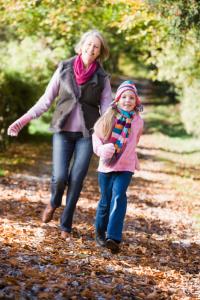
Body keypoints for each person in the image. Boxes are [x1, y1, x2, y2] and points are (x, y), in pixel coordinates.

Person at [7, 29, 112, 239]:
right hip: (62, 131)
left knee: (77, 178)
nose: (91, 49)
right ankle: (54, 202)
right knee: (60, 177)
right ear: (81, 46)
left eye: (96, 47)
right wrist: (23, 120)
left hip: (87, 135)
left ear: (100, 52)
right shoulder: (64, 68)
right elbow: (46, 101)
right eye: (88, 44)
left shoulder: (102, 78)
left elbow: (108, 110)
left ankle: (66, 224)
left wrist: (110, 136)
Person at [92, 80, 144, 253]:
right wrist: (100, 149)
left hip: (126, 166)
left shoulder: (138, 121)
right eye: (124, 97)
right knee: (105, 200)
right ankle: (100, 232)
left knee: (119, 196)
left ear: (136, 101)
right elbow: (96, 136)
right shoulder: (109, 116)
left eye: (131, 98)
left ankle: (113, 237)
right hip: (107, 165)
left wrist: (132, 158)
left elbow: (134, 142)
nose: (127, 101)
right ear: (118, 99)